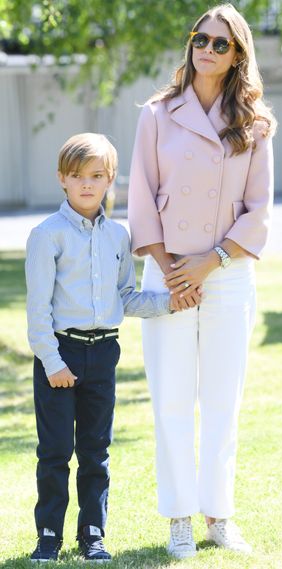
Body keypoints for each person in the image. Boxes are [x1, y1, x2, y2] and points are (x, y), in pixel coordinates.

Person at [128, 2, 276, 560]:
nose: (207, 49)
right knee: (170, 400)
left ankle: (219, 515)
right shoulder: (156, 114)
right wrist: (172, 273)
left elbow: (258, 210)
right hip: (166, 273)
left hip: (227, 272)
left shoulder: (256, 123)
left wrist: (210, 261)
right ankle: (179, 520)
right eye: (201, 38)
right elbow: (141, 200)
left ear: (238, 55)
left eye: (221, 43)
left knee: (221, 401)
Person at [25, 132, 196, 563]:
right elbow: (37, 310)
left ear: (110, 180)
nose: (87, 184)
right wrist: (51, 361)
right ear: (62, 179)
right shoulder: (47, 236)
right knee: (56, 451)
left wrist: (171, 302)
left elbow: (127, 298)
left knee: (96, 453)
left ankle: (93, 534)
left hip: (104, 354)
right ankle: (49, 535)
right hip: (60, 355)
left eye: (97, 176)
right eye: (78, 175)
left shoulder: (118, 237)